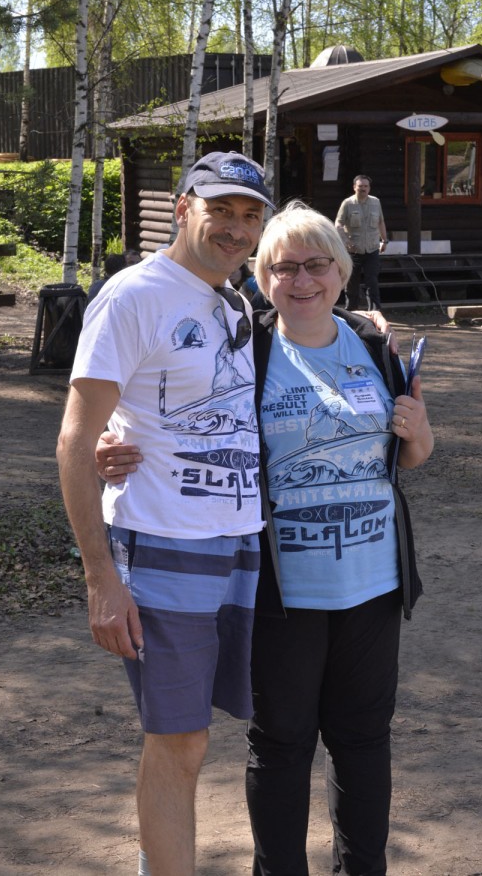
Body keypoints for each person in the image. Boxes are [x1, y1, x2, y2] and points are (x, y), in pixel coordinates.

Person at [97, 202, 433, 875]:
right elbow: (178, 415)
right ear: (261, 277)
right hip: (280, 588)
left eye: (316, 265)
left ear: (342, 272)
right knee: (281, 744)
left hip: (373, 583)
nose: (301, 280)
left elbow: (410, 455)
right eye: (283, 267)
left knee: (364, 741)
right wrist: (116, 443)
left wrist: (420, 435)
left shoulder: (374, 346)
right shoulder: (242, 350)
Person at [56, 150, 276, 876]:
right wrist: (100, 578)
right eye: (221, 211)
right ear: (183, 209)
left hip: (236, 544)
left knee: (198, 737)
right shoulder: (134, 296)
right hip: (162, 543)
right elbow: (76, 438)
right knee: (178, 740)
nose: (236, 229)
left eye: (250, 216)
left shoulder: (233, 301)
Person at [335, 174, 388, 311]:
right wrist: (345, 240)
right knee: (352, 283)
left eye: (365, 186)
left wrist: (384, 240)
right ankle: (351, 311)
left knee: (372, 281)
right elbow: (338, 224)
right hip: (353, 250)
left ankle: (375, 311)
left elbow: (381, 222)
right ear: (354, 187)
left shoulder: (376, 202)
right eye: (360, 186)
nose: (363, 189)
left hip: (372, 248)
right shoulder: (347, 203)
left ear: (369, 188)